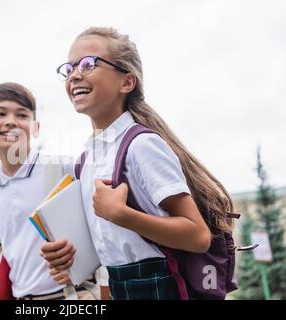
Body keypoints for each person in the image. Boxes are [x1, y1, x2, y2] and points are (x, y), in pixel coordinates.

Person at [41, 27, 235, 300]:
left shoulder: (141, 146)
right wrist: (66, 258)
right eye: (69, 67)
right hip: (120, 287)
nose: (75, 74)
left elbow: (198, 236)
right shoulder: (86, 162)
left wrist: (123, 215)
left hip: (161, 287)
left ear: (126, 82)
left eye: (88, 64)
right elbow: (109, 245)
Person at [0, 82, 94, 300]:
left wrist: (81, 269)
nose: (10, 121)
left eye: (22, 115)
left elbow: (106, 231)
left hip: (73, 296)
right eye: (0, 113)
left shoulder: (65, 169)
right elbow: (7, 253)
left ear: (35, 128)